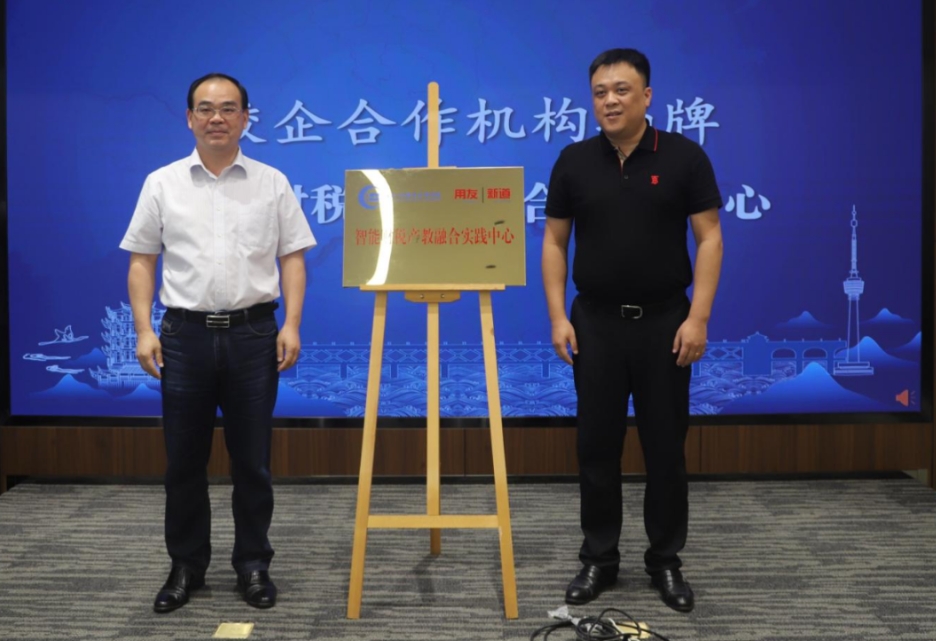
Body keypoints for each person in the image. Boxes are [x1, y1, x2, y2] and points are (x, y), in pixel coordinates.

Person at [120, 72, 316, 613]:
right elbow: (142, 261)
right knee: (184, 462)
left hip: (254, 335)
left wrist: (292, 324)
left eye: (228, 108)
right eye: (205, 109)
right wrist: (143, 330)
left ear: (245, 119)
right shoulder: (162, 183)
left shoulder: (271, 182)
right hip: (183, 337)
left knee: (252, 462)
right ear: (189, 118)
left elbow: (292, 258)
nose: (216, 118)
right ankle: (186, 566)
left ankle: (253, 564)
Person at [542, 48, 723, 613]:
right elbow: (554, 241)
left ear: (646, 96)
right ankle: (599, 558)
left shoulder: (684, 157)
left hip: (666, 324)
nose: (610, 101)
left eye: (621, 90)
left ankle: (665, 561)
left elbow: (710, 238)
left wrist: (698, 317)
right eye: (600, 92)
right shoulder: (574, 161)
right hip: (595, 323)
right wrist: (558, 316)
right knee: (596, 448)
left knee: (665, 449)